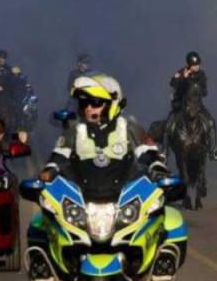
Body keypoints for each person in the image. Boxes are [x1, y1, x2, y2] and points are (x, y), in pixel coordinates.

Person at [41, 74, 171, 195]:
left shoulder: (128, 127)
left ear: (112, 104)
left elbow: (149, 152)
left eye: (95, 103)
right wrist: (49, 171)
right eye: (84, 103)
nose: (89, 108)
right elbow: (58, 156)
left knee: (165, 217)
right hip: (80, 197)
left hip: (125, 197)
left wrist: (157, 167)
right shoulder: (75, 129)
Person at [166, 51, 217, 161]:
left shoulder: (201, 75)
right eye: (194, 65)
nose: (197, 67)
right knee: (169, 125)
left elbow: (205, 91)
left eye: (198, 64)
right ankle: (165, 151)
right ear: (189, 65)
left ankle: (213, 149)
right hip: (181, 105)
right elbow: (174, 84)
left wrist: (196, 87)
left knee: (211, 122)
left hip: (197, 105)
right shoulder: (181, 72)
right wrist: (184, 78)